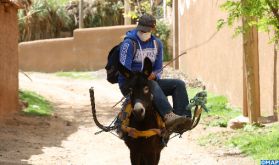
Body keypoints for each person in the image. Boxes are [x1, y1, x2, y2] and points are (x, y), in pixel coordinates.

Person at [118, 14, 192, 133]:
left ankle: (183, 119)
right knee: (152, 84)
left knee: (178, 84)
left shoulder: (157, 44)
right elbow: (124, 69)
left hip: (149, 83)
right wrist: (144, 78)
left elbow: (158, 68)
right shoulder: (129, 44)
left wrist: (155, 75)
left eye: (146, 30)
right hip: (131, 85)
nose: (143, 32)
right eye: (141, 29)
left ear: (152, 29)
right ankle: (168, 116)